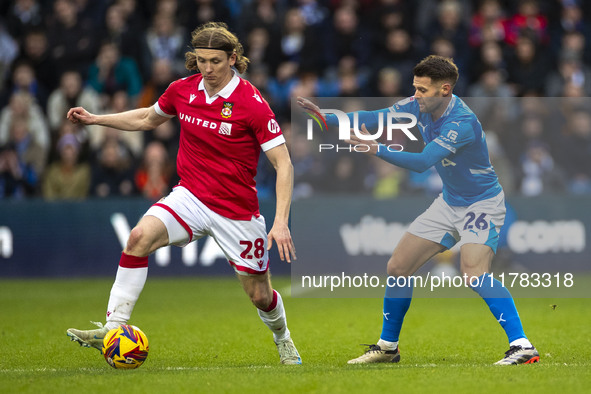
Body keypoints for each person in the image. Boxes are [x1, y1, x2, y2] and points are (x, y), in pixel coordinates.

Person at [65, 22, 301, 365]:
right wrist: (96, 119)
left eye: (216, 61)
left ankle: (283, 337)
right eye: (202, 61)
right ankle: (114, 326)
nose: (208, 69)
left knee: (259, 295)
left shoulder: (251, 103)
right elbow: (148, 117)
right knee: (137, 238)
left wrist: (280, 222)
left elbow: (285, 164)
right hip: (189, 196)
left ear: (233, 58)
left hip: (235, 210)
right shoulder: (182, 90)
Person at [297, 55, 538, 366]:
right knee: (398, 267)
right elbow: (377, 116)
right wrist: (326, 119)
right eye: (416, 88)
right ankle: (388, 347)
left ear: (445, 90)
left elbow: (424, 162)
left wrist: (377, 148)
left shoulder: (461, 123)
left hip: (482, 203)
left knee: (474, 272)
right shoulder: (419, 104)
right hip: (450, 201)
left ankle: (523, 346)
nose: (416, 94)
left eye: (423, 89)